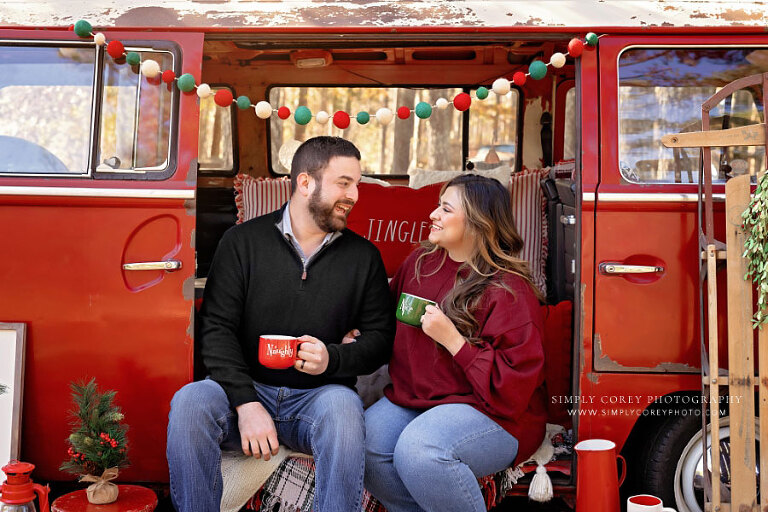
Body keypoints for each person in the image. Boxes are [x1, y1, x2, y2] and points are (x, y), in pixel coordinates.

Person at [167, 136, 395, 512]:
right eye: (344, 182)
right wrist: (246, 404)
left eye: (357, 183)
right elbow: (216, 329)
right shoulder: (242, 242)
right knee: (191, 401)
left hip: (319, 397)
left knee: (343, 407)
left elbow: (381, 340)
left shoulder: (364, 256)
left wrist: (332, 359)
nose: (355, 195)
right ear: (305, 183)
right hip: (245, 388)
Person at [364, 174, 547, 512]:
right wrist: (355, 333)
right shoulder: (420, 264)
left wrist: (454, 342)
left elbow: (513, 391)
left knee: (419, 450)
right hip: (417, 400)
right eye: (438, 205)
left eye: (445, 209)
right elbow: (382, 320)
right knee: (365, 445)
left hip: (495, 414)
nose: (433, 214)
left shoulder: (509, 290)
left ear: (479, 223)